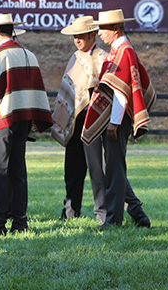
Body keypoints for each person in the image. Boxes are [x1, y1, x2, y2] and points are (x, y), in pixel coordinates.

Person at [0, 13, 53, 234]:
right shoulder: (29, 54)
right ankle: (20, 223)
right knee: (18, 173)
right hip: (24, 118)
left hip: (2, 119)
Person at [83, 9, 154, 229]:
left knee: (114, 170)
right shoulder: (120, 48)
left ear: (115, 29)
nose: (99, 32)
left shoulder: (123, 50)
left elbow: (122, 91)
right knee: (115, 169)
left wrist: (114, 122)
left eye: (103, 28)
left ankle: (113, 220)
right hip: (117, 117)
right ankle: (138, 214)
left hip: (118, 119)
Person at [51, 16, 108, 223]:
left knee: (97, 170)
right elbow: (67, 90)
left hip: (93, 123)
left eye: (81, 35)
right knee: (72, 170)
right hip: (73, 122)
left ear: (92, 35)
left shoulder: (103, 57)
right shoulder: (74, 58)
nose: (77, 39)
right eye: (75, 36)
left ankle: (102, 213)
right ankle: (70, 211)